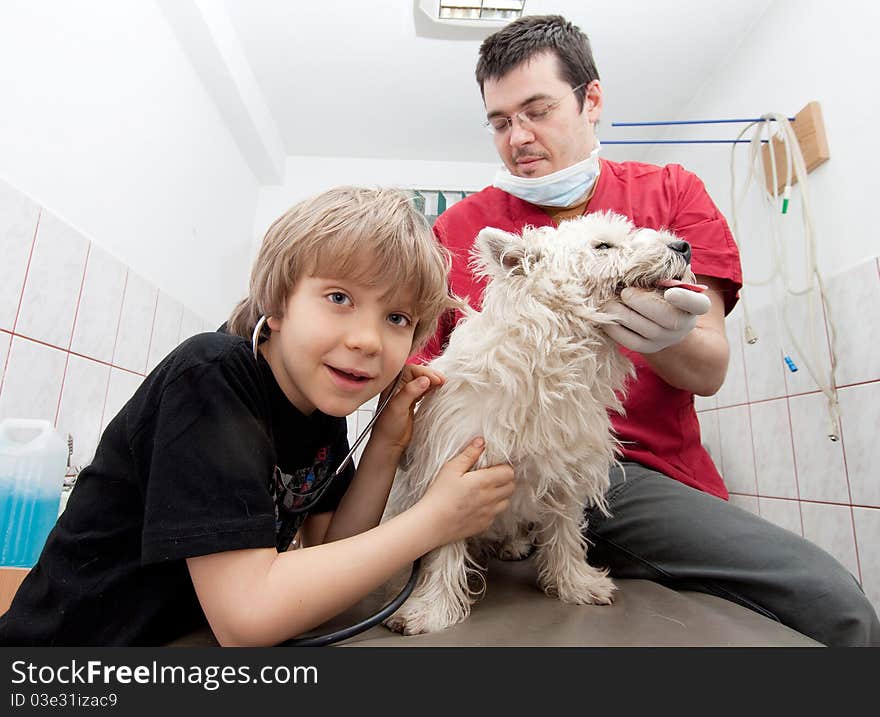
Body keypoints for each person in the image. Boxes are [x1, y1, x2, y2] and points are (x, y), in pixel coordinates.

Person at [420, 15, 879, 646]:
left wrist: (664, 338)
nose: (518, 137)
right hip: (492, 463)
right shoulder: (462, 232)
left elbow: (711, 367)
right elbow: (416, 382)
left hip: (634, 471)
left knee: (837, 607)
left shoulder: (668, 195)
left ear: (592, 99)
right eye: (500, 122)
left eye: (537, 110)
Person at [0, 186, 516, 646]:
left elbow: (332, 548)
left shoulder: (317, 408)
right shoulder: (212, 375)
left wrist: (385, 443)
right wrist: (434, 520)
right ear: (278, 303)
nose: (367, 340)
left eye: (397, 318)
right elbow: (247, 617)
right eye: (339, 297)